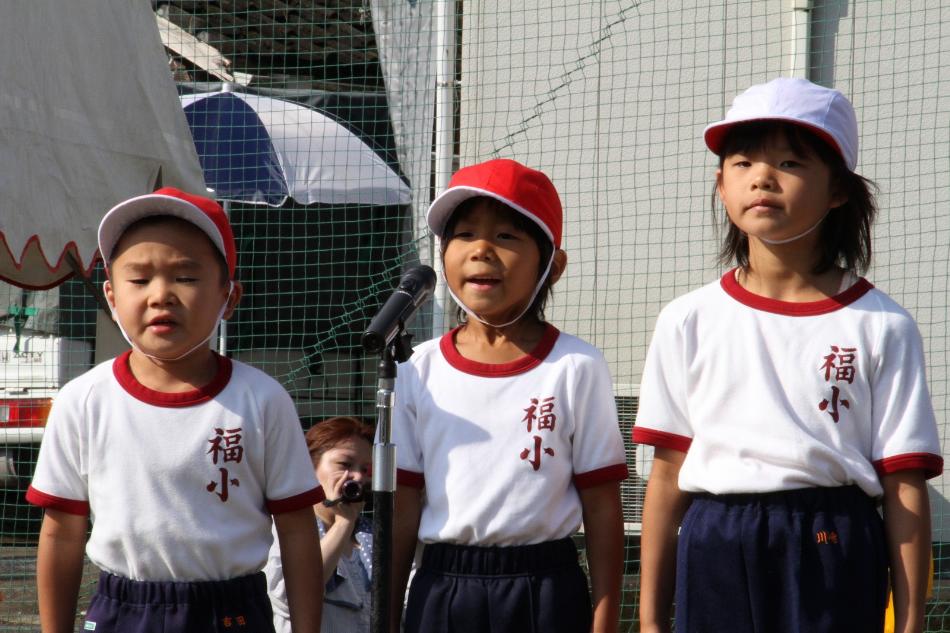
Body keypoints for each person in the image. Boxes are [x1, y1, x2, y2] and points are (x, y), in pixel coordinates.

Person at [634, 77, 943, 633]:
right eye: (742, 162)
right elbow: (667, 474)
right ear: (721, 184)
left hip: (833, 541)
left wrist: (911, 622)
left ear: (839, 191)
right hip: (715, 542)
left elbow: (904, 483)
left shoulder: (882, 324)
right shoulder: (688, 319)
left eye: (791, 162)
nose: (762, 178)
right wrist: (651, 618)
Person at [26, 187, 324, 633]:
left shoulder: (262, 400)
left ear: (230, 296)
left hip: (231, 611)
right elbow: (61, 533)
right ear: (111, 295)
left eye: (186, 277)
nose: (161, 295)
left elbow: (298, 530)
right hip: (122, 611)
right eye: (140, 279)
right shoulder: (83, 400)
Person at [388, 158, 628, 633]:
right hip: (442, 589)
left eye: (506, 237)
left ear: (552, 266)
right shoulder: (417, 368)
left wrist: (604, 623)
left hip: (546, 589)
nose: (481, 251)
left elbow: (602, 506)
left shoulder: (577, 366)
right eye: (464, 235)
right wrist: (388, 618)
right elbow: (404, 507)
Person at [265, 416, 375, 633]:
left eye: (365, 469)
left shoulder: (373, 536)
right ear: (310, 466)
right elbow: (290, 599)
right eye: (344, 464)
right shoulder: (286, 530)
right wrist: (343, 523)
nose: (357, 477)